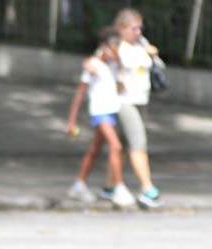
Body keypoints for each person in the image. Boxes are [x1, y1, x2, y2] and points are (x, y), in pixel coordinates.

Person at [65, 28, 136, 209]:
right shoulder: (93, 65)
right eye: (113, 47)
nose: (116, 51)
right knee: (116, 146)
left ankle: (78, 184)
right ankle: (119, 188)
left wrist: (118, 63)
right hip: (99, 112)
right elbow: (80, 94)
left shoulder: (113, 65)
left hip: (110, 111)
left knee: (95, 149)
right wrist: (71, 121)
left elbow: (121, 86)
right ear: (104, 47)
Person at [113, 8, 162, 208]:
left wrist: (149, 51)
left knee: (123, 146)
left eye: (140, 28)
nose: (138, 32)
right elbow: (119, 66)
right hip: (124, 101)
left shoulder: (140, 44)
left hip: (141, 99)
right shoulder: (117, 47)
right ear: (122, 28)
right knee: (138, 142)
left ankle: (110, 185)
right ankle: (147, 188)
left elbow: (157, 67)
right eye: (134, 28)